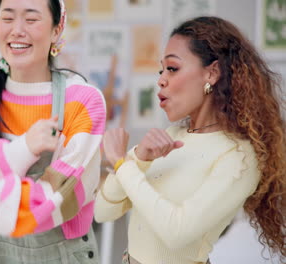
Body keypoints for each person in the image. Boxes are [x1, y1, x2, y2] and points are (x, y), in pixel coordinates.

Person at [95, 16, 285, 264]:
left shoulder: (239, 157)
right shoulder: (172, 136)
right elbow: (102, 211)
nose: (161, 80)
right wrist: (138, 159)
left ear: (212, 73)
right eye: (161, 70)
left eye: (172, 68)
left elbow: (177, 232)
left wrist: (123, 164)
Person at [0, 0, 106, 263]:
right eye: (7, 18)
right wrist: (25, 148)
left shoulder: (83, 101)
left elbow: (60, 200)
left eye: (31, 19)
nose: (17, 30)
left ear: (57, 29)